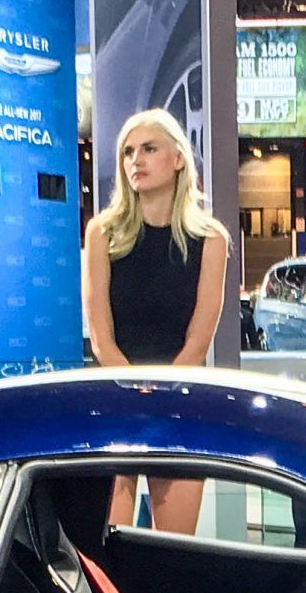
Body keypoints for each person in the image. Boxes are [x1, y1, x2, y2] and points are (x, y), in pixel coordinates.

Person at [83, 108, 230, 532]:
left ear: (178, 159)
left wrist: (160, 395)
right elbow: (100, 338)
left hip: (180, 400)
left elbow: (199, 342)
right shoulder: (102, 233)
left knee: (174, 558)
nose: (136, 161)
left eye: (149, 149)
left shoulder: (211, 239)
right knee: (105, 555)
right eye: (128, 152)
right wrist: (133, 393)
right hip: (113, 398)